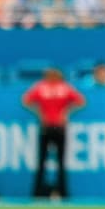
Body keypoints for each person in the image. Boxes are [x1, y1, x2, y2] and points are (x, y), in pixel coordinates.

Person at [22, 68, 86, 199]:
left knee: (47, 161)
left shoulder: (43, 87)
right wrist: (65, 112)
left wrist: (40, 113)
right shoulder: (62, 87)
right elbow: (81, 102)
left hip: (50, 126)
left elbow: (25, 101)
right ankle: (59, 192)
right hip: (55, 126)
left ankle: (41, 192)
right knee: (53, 162)